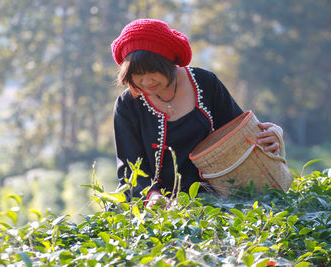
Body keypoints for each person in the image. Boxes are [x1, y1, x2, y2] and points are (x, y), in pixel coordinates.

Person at [111, 19, 283, 208]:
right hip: (161, 210)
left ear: (168, 62)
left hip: (223, 202)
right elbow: (129, 169)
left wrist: (274, 134)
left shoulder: (205, 83)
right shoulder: (127, 105)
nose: (146, 81)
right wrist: (152, 196)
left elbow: (239, 135)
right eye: (137, 74)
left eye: (152, 70)